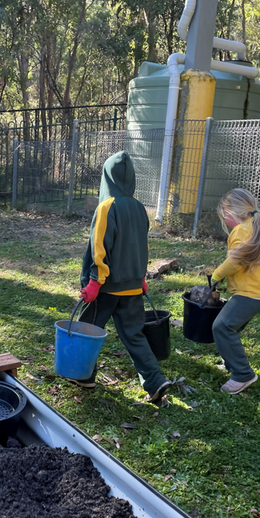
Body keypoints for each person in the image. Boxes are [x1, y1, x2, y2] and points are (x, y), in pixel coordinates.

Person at [72, 151, 172, 404]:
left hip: (105, 288)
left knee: (88, 331)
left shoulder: (107, 207)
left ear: (107, 178)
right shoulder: (140, 208)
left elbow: (99, 247)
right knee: (135, 335)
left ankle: (84, 376)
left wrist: (95, 280)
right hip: (132, 288)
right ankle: (155, 381)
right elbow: (141, 246)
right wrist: (140, 278)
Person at [210, 188, 260, 395]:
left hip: (250, 294)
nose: (224, 221)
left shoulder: (241, 230)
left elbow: (235, 261)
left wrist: (217, 275)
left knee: (222, 327)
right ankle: (232, 364)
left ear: (231, 212)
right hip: (259, 293)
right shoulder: (253, 226)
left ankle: (243, 375)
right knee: (230, 328)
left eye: (223, 216)